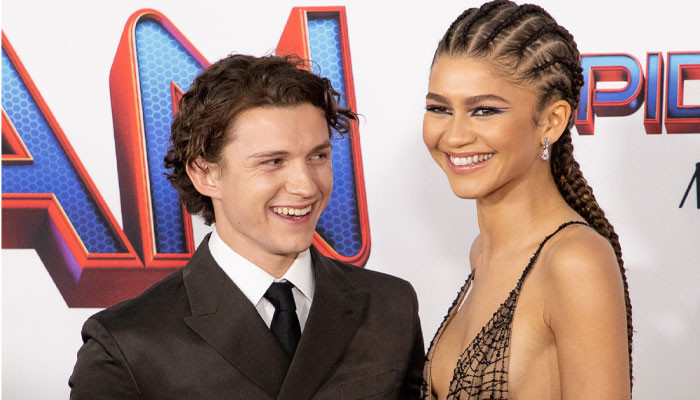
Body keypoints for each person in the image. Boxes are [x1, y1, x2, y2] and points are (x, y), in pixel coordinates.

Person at [69, 54, 424, 399]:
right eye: (273, 161)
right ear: (205, 174)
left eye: (318, 156)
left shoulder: (390, 307)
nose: (306, 186)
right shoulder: (127, 345)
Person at [420, 1, 632, 399]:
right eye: (439, 108)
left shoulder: (574, 262)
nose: (454, 135)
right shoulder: (481, 252)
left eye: (484, 110)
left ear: (551, 121)